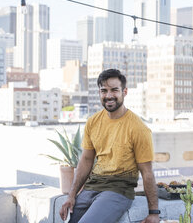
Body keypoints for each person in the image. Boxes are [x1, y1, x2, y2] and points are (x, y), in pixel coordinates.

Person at [60, 69, 160, 223]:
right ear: (99, 93)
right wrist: (71, 196)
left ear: (124, 92)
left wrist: (154, 212)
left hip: (118, 190)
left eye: (114, 90)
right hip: (92, 187)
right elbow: (86, 160)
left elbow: (147, 172)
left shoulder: (138, 128)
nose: (109, 95)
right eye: (104, 91)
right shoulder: (93, 122)